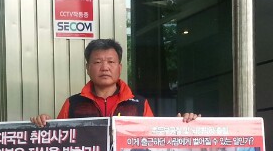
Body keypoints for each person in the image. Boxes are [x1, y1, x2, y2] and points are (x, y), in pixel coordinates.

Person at [30, 38, 198, 125]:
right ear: (88, 68)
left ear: (119, 67)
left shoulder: (139, 104)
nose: (105, 68)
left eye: (111, 62)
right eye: (97, 62)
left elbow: (152, 137)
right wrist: (43, 124)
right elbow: (60, 140)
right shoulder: (72, 103)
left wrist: (184, 125)